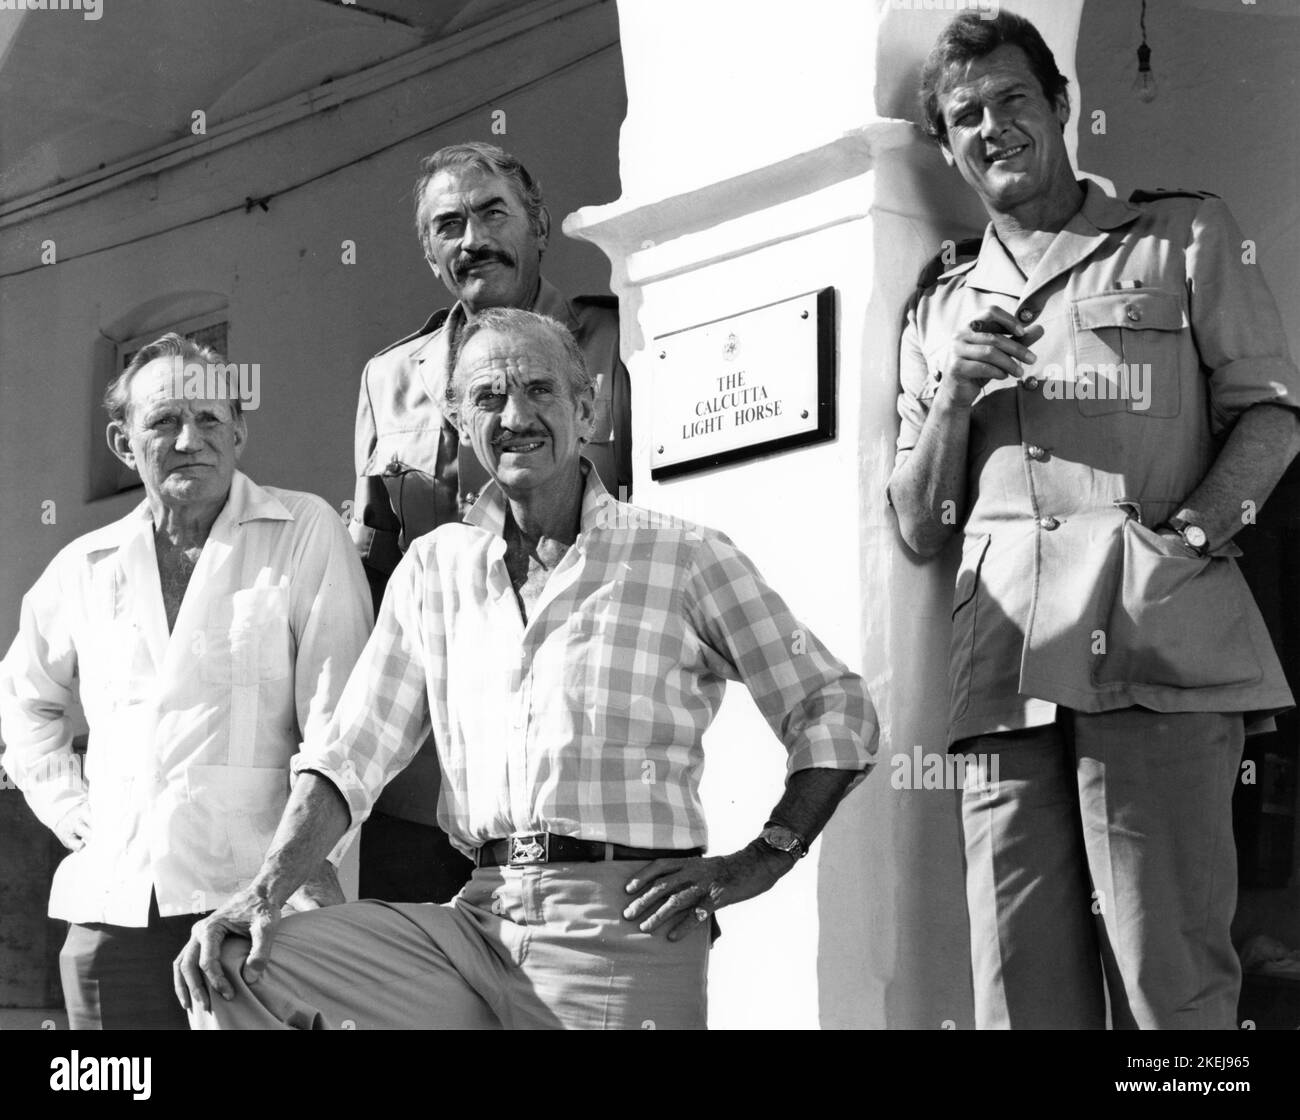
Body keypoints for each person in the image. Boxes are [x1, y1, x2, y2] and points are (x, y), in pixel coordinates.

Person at [174, 309, 876, 1030]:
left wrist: (763, 857)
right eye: (487, 398)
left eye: (539, 390)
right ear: (459, 418)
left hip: (624, 925)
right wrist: (261, 893)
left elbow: (834, 708)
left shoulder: (683, 557)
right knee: (236, 965)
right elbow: (348, 757)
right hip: (476, 919)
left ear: (585, 406)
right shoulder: (433, 568)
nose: (514, 416)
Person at [888, 10, 1300, 1030]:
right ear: (944, 145)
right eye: (964, 115)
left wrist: (1189, 541)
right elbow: (917, 526)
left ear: (1062, 105)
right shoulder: (935, 307)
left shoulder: (1181, 236)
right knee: (1020, 998)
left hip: (1154, 654)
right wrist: (951, 398)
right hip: (1005, 685)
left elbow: (1271, 420)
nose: (992, 128)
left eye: (1013, 101)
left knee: (1173, 985)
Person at [0, 333, 372, 1029]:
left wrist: (303, 866)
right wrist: (72, 809)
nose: (187, 439)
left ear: (240, 429)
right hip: (115, 913)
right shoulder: (85, 567)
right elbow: (21, 701)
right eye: (163, 421)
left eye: (207, 418)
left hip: (259, 910)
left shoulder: (303, 531)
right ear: (122, 441)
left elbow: (343, 723)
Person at [350, 142, 632, 903]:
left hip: (573, 741)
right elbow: (371, 570)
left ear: (538, 223)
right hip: (428, 768)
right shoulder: (389, 380)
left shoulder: (617, 340)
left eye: (490, 212)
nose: (471, 238)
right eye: (448, 224)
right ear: (431, 253)